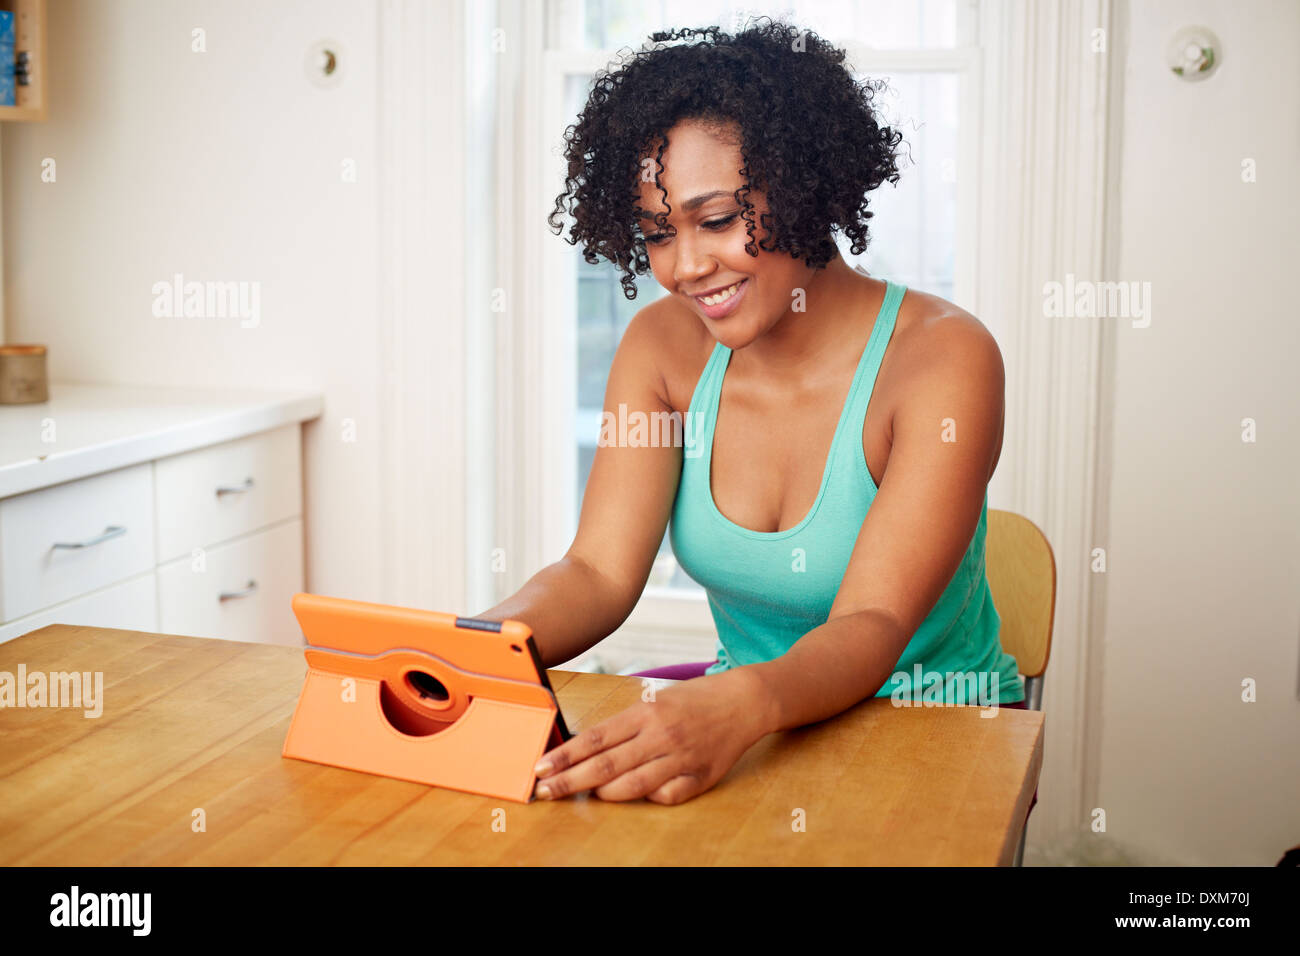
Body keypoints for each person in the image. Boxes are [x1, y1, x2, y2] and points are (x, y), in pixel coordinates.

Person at [474, 18, 1025, 806]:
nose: (685, 268)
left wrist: (743, 705)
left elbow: (869, 621)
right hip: (757, 722)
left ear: (807, 187)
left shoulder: (943, 360)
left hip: (935, 727)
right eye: (658, 234)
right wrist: (473, 650)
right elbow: (596, 571)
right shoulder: (662, 349)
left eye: (719, 220)